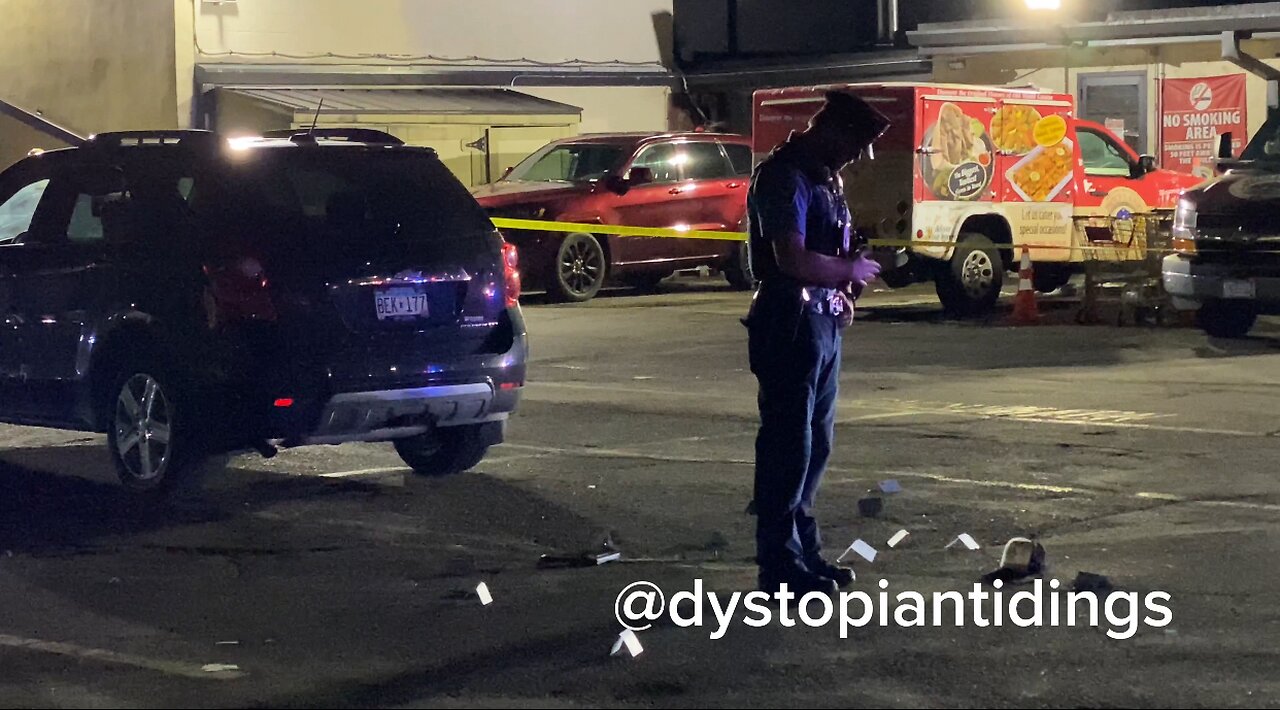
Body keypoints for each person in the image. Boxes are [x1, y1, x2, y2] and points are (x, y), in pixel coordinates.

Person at [743, 91, 891, 595]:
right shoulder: (784, 176)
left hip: (821, 322)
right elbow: (792, 258)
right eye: (853, 145)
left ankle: (806, 554)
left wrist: (847, 286)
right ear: (830, 130)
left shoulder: (827, 179)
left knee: (817, 445)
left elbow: (837, 246)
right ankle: (779, 566)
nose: (854, 158)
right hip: (788, 321)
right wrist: (846, 271)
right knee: (790, 446)